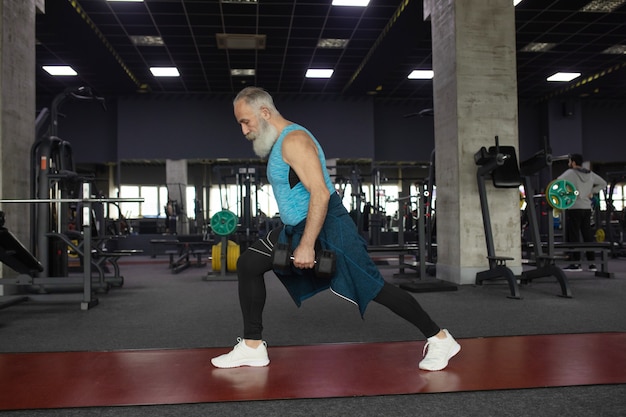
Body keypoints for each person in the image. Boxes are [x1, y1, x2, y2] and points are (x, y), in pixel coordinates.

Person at [211, 87, 460, 372]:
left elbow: (321, 193)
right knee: (249, 264)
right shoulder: (282, 142)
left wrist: (306, 244)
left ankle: (440, 338)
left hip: (328, 226)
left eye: (246, 121)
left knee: (374, 287)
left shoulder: (294, 141)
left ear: (264, 113)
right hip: (295, 226)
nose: (244, 130)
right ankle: (253, 346)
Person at [557, 153, 607, 272]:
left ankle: (575, 264)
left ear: (573, 162)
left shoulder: (570, 173)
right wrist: (591, 192)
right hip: (586, 208)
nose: (569, 163)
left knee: (574, 235)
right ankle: (592, 264)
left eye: (569, 161)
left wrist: (567, 194)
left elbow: (557, 182)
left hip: (574, 207)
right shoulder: (589, 174)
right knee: (587, 235)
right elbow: (603, 183)